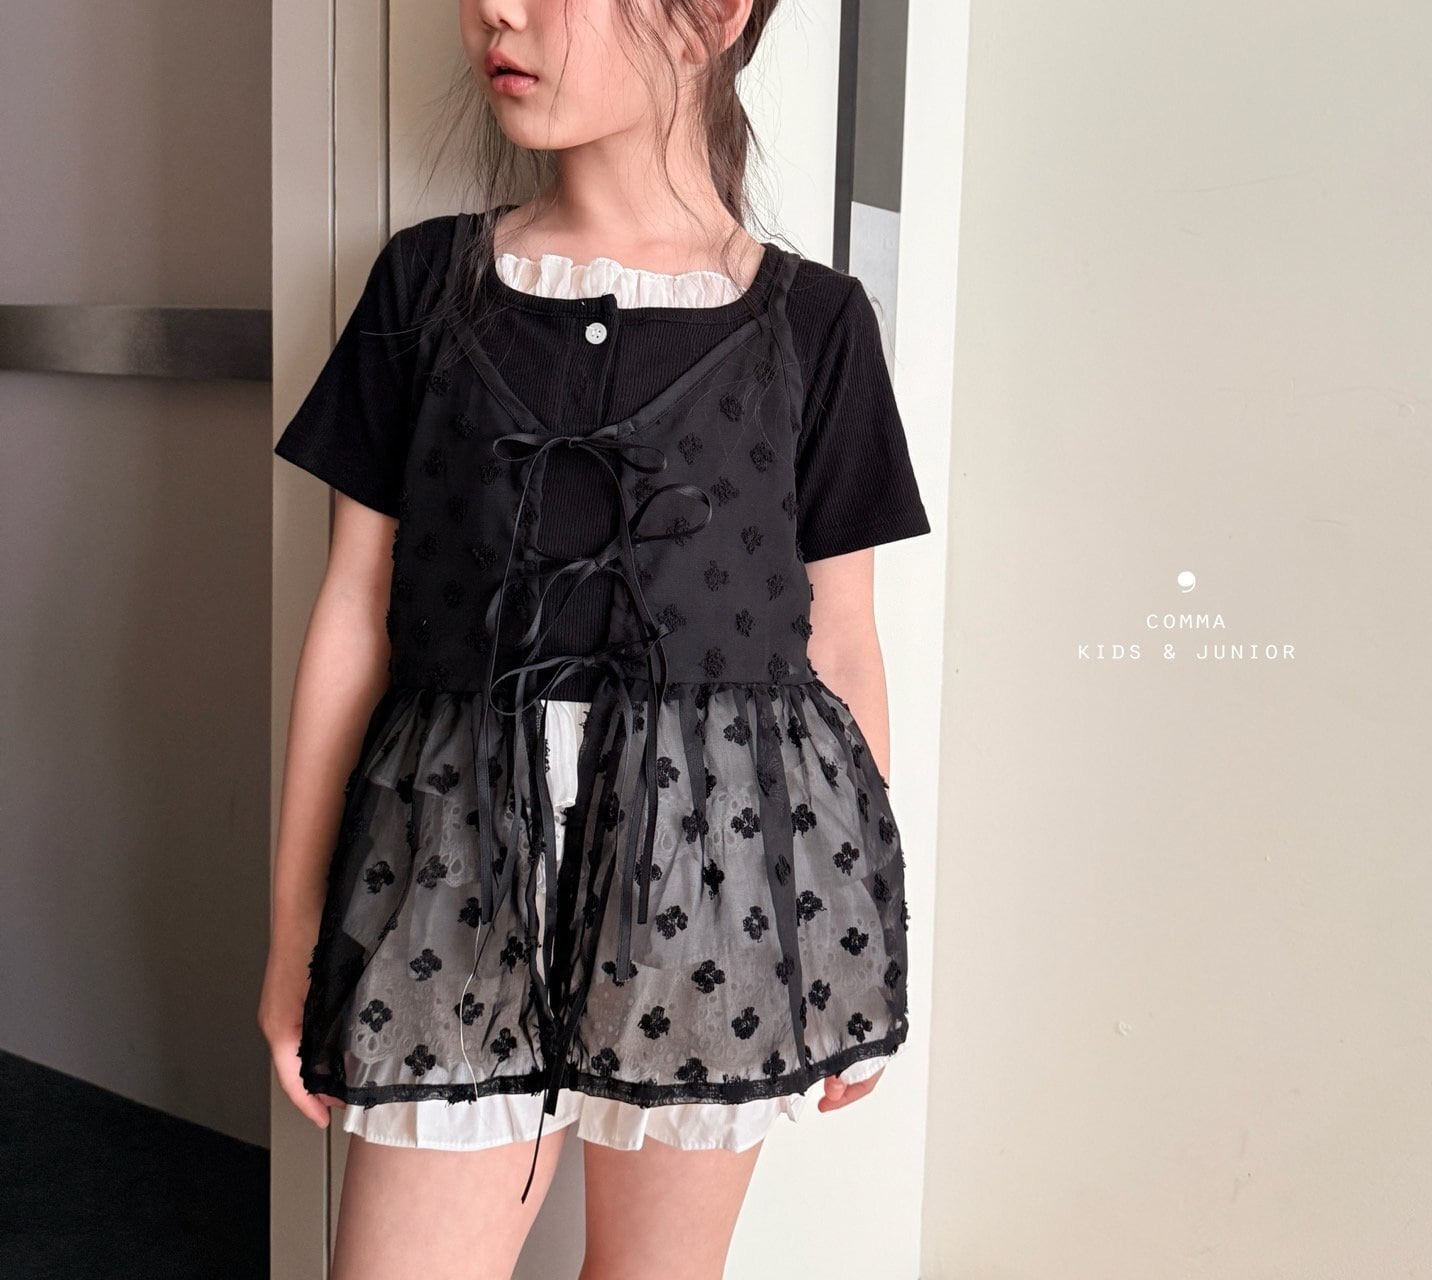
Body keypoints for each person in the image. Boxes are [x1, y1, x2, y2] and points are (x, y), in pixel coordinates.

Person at [259, 1, 932, 1275]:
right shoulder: (427, 283)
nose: (495, 11)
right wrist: (297, 927)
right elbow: (353, 607)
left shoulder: (815, 323)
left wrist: (846, 948)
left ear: (713, 15)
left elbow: (842, 648)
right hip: (448, 868)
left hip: (720, 885)